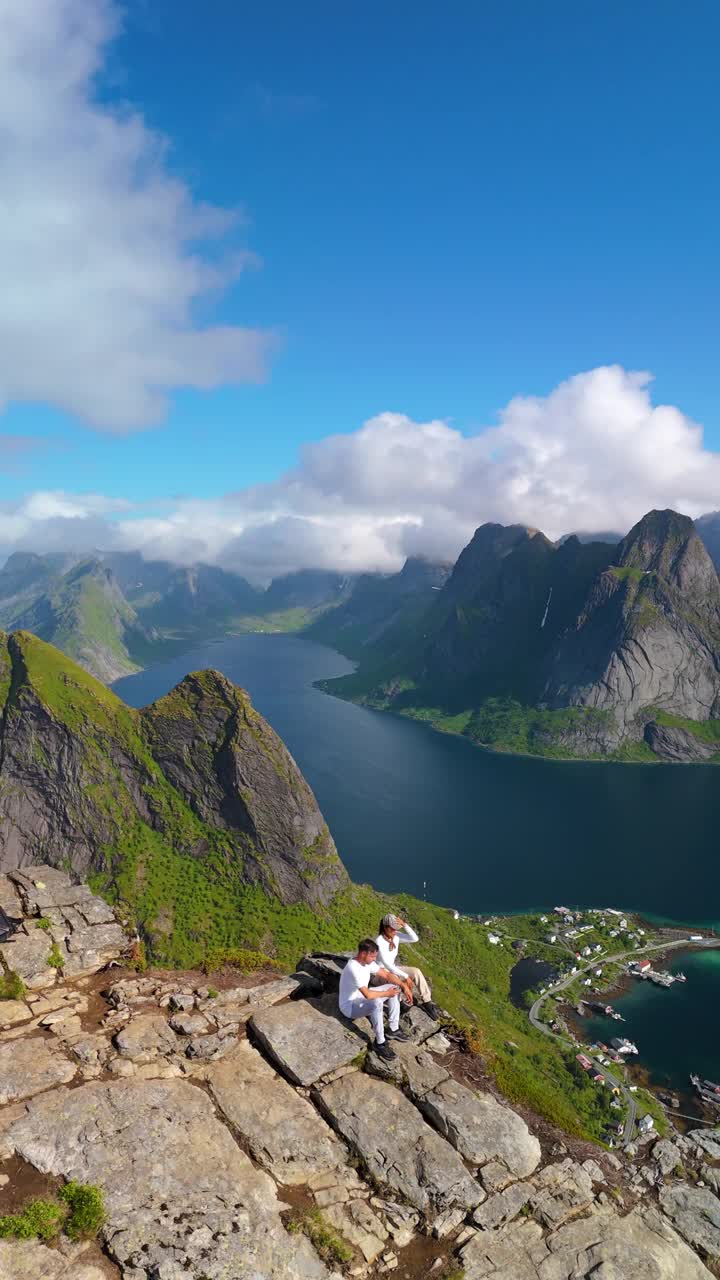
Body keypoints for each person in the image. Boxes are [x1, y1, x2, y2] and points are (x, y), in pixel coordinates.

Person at [338, 938, 411, 1059]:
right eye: (372, 957)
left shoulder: (367, 963)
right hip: (349, 1007)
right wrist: (387, 993)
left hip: (362, 998)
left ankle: (393, 1028)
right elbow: (368, 995)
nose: (374, 959)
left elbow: (387, 974)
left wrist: (403, 986)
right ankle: (380, 1043)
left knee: (394, 987)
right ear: (363, 954)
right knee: (376, 1003)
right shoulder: (353, 968)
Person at [375, 913, 443, 1020]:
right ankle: (400, 1004)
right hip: (381, 973)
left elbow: (414, 938)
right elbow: (387, 964)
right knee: (396, 981)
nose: (395, 931)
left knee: (416, 972)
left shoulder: (396, 936)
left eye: (396, 928)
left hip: (393, 969)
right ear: (385, 928)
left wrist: (405, 925)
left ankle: (427, 1002)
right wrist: (405, 977)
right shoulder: (379, 941)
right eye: (392, 929)